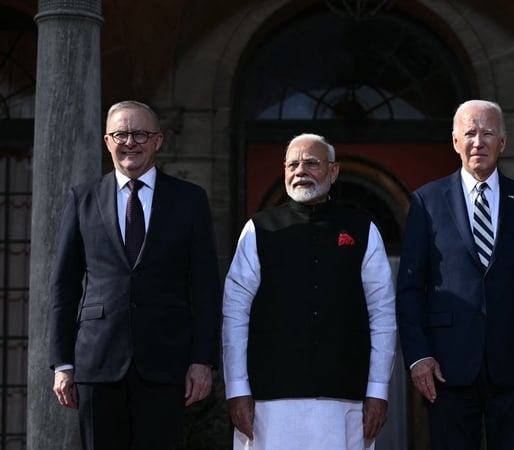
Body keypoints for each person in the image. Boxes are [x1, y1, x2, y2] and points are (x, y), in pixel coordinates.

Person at [49, 100, 222, 450]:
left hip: (166, 363)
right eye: (121, 134)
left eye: (140, 133)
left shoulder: (190, 200)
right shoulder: (82, 199)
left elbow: (205, 286)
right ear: (107, 141)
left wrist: (202, 361)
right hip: (97, 364)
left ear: (157, 141)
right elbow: (64, 286)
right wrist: (62, 363)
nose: (130, 142)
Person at [395, 99, 514, 449]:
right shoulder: (427, 201)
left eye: (488, 133)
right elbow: (410, 288)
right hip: (447, 364)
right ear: (455, 141)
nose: (478, 141)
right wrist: (419, 356)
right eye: (470, 133)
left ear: (503, 142)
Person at [222, 133, 397, 450]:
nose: (300, 170)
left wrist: (377, 391)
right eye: (292, 164)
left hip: (345, 399)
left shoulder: (361, 228)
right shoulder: (258, 229)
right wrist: (237, 390)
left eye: (311, 163)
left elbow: (382, 314)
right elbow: (235, 314)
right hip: (268, 400)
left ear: (333, 172)